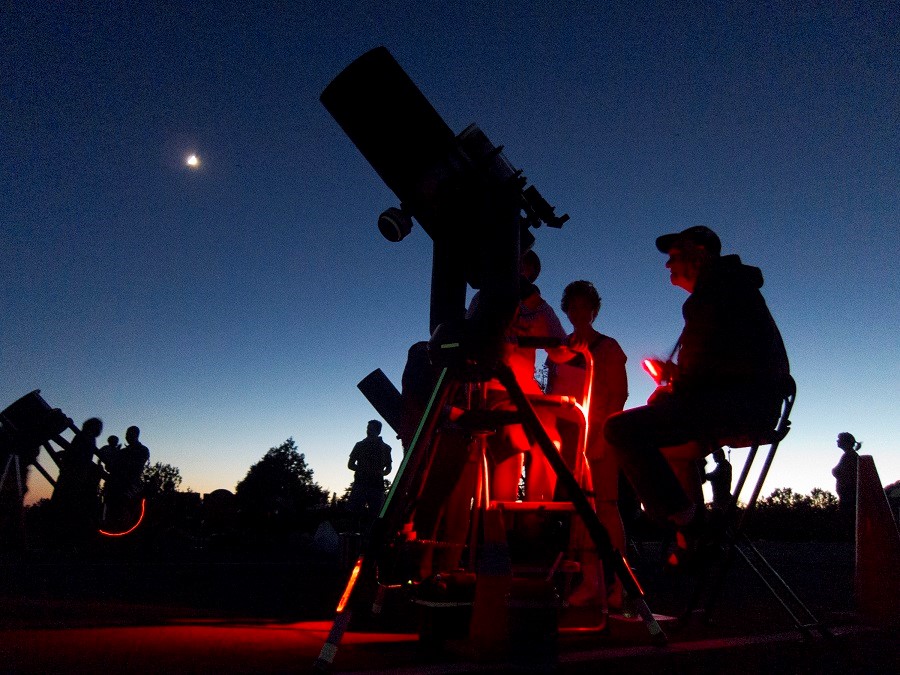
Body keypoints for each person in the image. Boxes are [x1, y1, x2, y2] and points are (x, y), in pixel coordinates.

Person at [604, 226, 790, 565]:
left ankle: (688, 524)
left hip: (736, 405)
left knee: (619, 429)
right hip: (750, 401)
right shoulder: (731, 289)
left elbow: (703, 376)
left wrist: (673, 383)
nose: (667, 265)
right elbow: (720, 364)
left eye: (675, 256)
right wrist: (674, 381)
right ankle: (687, 537)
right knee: (659, 429)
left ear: (700, 255)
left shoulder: (713, 296)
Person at [547, 279, 628, 606]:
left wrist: (600, 436)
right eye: (573, 306)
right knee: (579, 512)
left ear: (594, 310)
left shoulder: (608, 347)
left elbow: (618, 395)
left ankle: (620, 586)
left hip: (598, 436)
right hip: (568, 439)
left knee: (606, 506)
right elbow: (551, 393)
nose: (578, 312)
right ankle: (590, 582)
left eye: (585, 306)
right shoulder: (558, 349)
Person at [472, 250, 568, 502]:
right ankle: (500, 525)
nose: (517, 278)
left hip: (526, 390)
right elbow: (469, 340)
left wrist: (570, 347)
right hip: (493, 387)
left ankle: (537, 514)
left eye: (523, 273)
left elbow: (560, 350)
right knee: (513, 447)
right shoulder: (483, 300)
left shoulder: (539, 307)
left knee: (552, 442)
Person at [52, 417, 104, 549]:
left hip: (72, 476)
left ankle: (62, 541)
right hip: (77, 476)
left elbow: (78, 454)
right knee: (69, 507)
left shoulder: (85, 437)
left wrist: (66, 454)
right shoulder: (89, 438)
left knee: (63, 506)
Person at [347, 420, 392, 516]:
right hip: (360, 483)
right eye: (368, 429)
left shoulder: (386, 448)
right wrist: (363, 469)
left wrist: (382, 473)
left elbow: (389, 468)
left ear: (378, 431)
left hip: (377, 486)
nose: (368, 431)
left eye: (371, 429)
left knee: (376, 514)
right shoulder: (359, 445)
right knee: (354, 513)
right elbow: (350, 464)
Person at [832, 431, 861, 539]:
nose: (837, 441)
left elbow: (844, 474)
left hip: (849, 496)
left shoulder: (850, 456)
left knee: (848, 520)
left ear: (845, 442)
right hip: (846, 495)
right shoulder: (848, 455)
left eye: (839, 439)